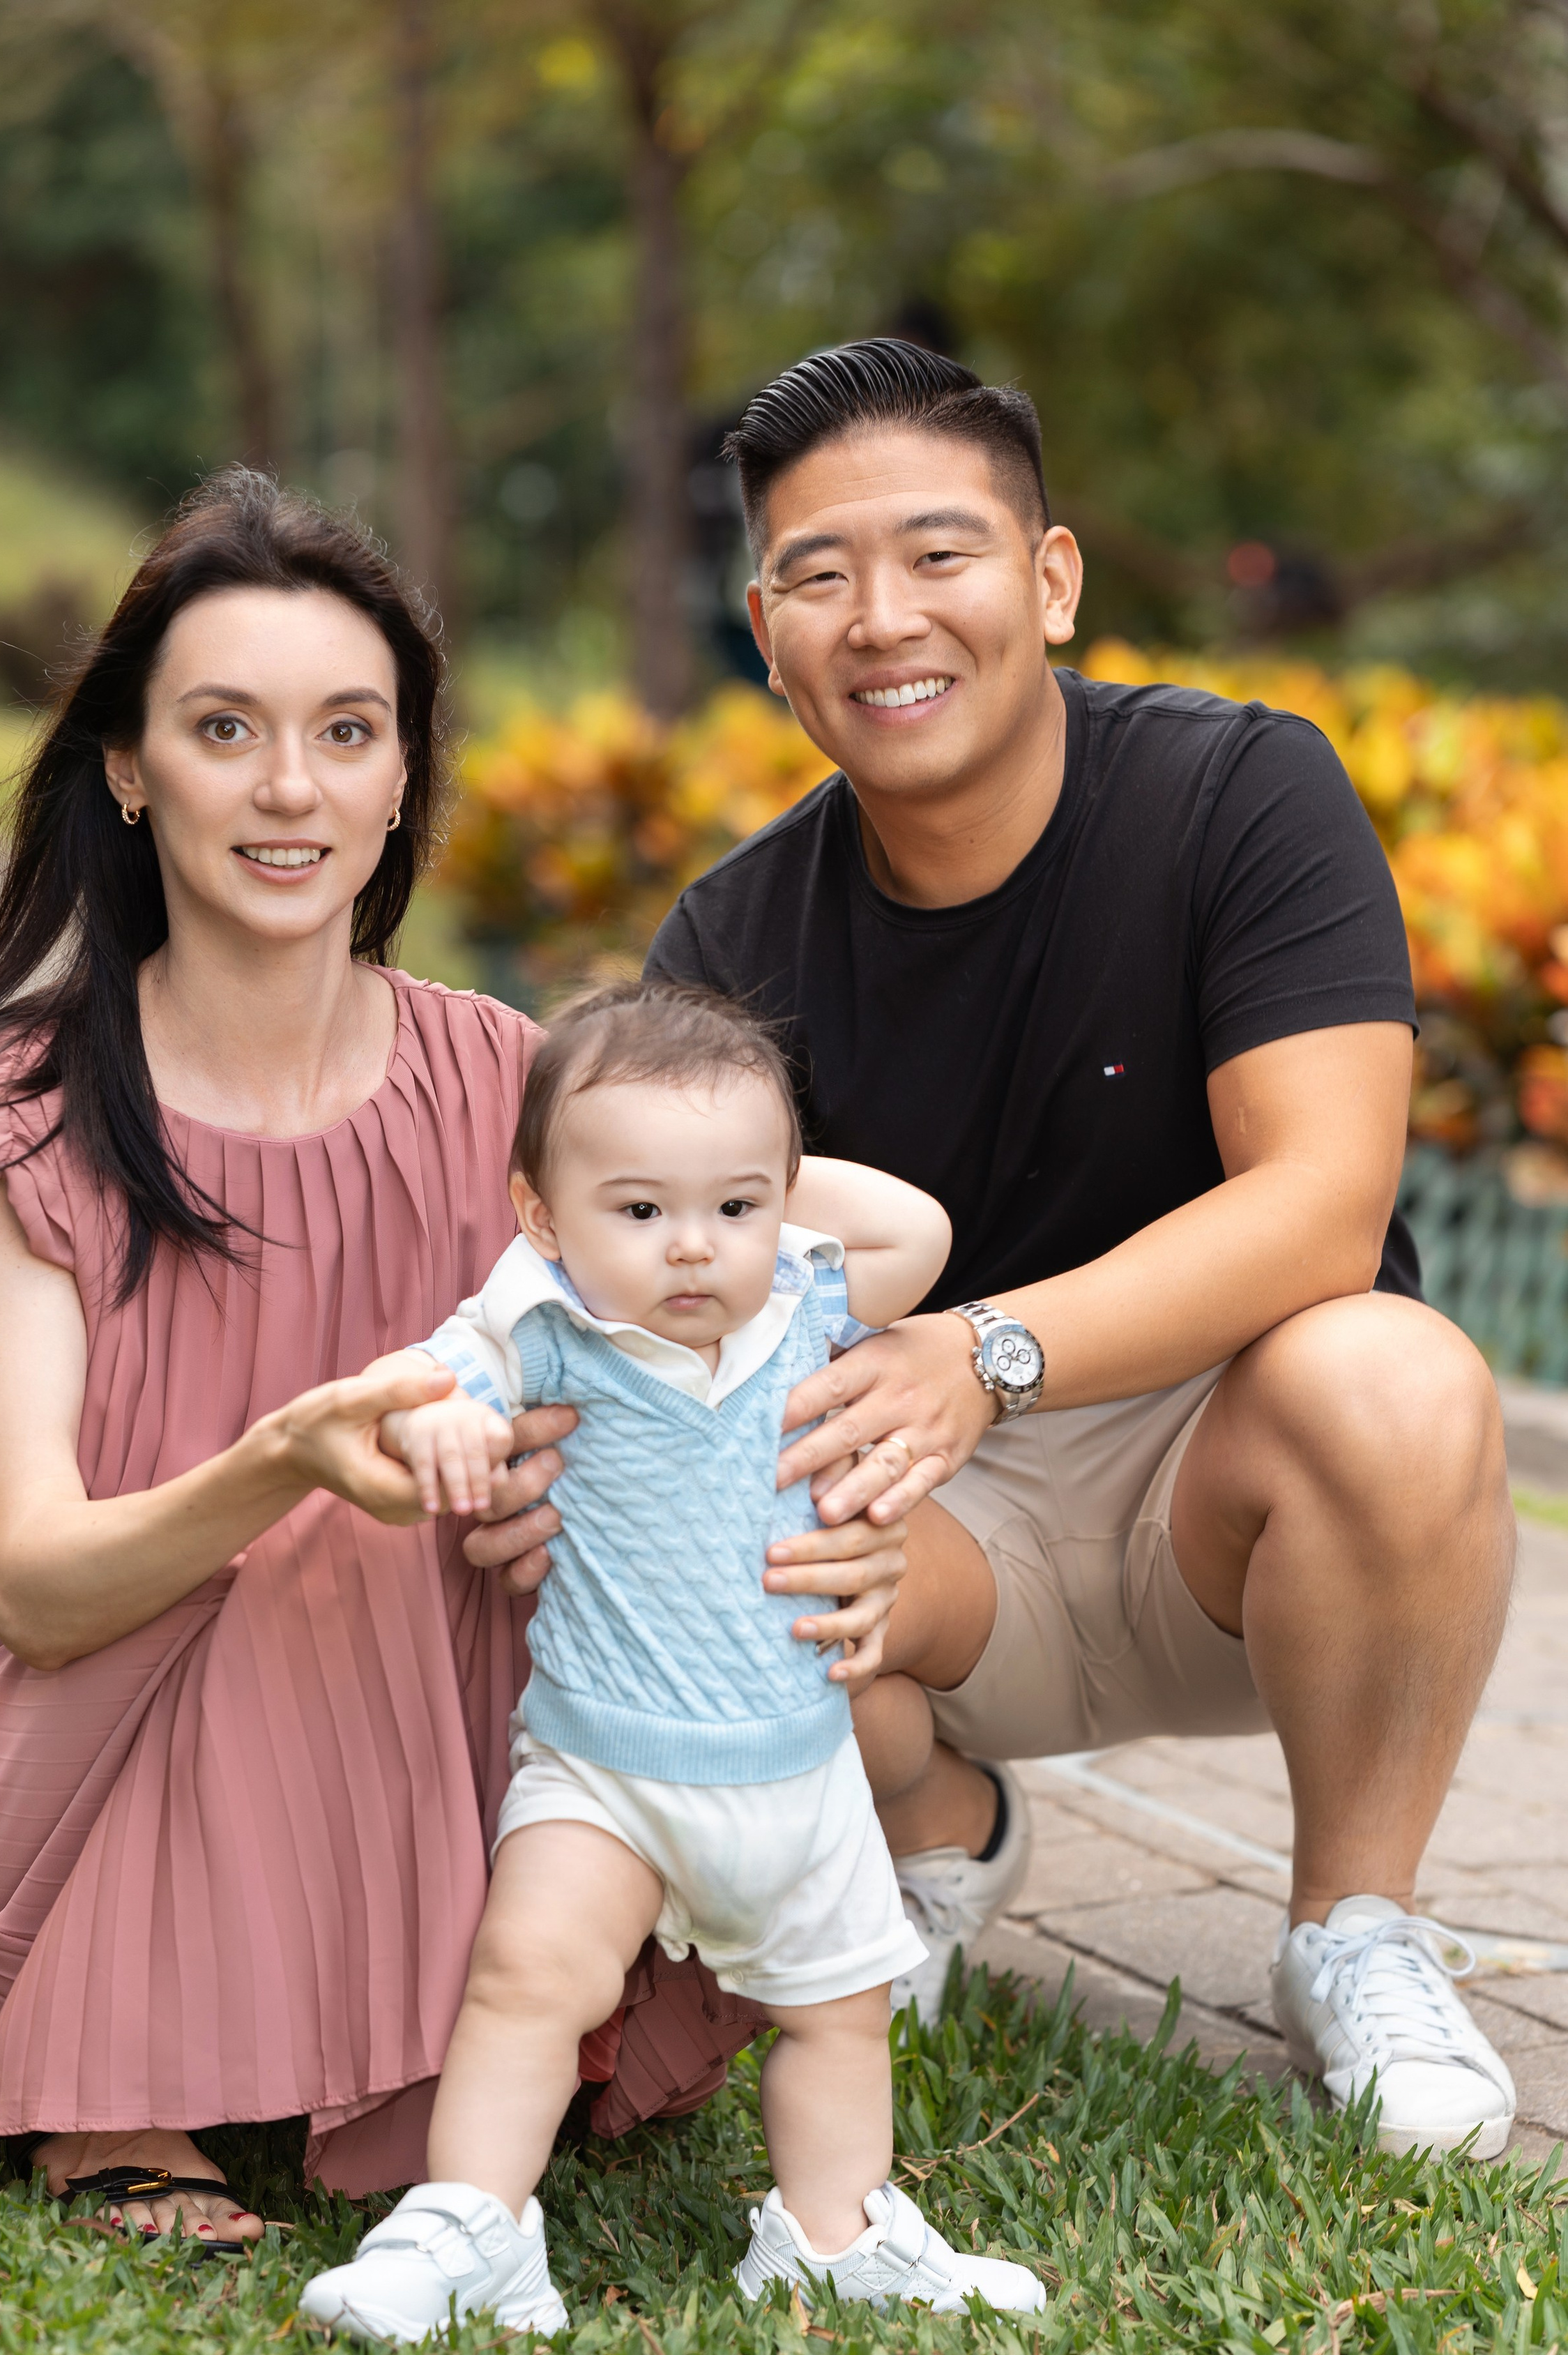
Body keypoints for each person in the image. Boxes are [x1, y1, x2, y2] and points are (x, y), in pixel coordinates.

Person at [0, 473, 906, 2248]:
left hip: (426, 1730)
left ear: (401, 780)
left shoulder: (511, 1092)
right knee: (328, 1536)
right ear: (132, 770)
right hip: (64, 1758)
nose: (289, 788)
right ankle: (122, 2083)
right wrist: (281, 1459)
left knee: (512, 1577)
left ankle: (442, 2016)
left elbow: (774, 1258)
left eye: (346, 732)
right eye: (225, 729)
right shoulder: (29, 1119)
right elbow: (43, 1585)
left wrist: (878, 1465)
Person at [640, 338, 1518, 2162]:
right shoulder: (729, 946)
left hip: (1241, 1493)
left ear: (1050, 580)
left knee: (1397, 1369)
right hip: (940, 1536)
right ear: (766, 625)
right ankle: (939, 1834)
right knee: (721, 1532)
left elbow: (1326, 1202)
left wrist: (984, 1354)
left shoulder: (1240, 796)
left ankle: (1352, 1928)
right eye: (821, 573)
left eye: (939, 554)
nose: (884, 618)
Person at [298, 983, 1046, 2340]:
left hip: (797, 1776)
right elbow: (437, 1387)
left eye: (732, 1210)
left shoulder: (807, 1296)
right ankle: (474, 2227)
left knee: (837, 2015)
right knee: (527, 1979)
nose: (693, 1249)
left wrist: (722, 1157)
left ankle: (833, 2236)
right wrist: (452, 1432)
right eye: (638, 1212)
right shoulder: (534, 1319)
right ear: (543, 1212)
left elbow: (918, 1234)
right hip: (605, 1767)